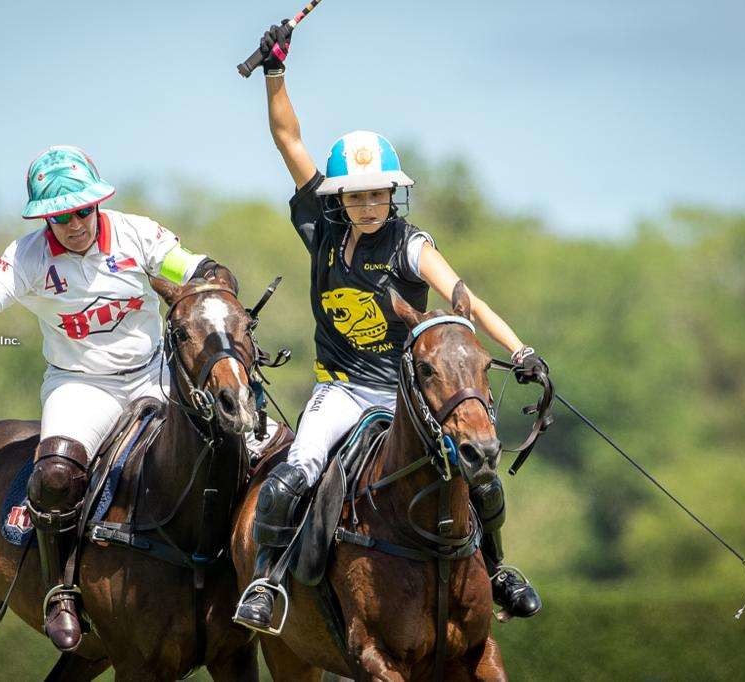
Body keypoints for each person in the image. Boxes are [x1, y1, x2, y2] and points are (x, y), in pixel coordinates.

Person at [233, 24, 548, 631]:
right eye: (356, 196)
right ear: (339, 199)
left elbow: (465, 300)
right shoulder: (321, 229)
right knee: (292, 475)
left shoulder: (410, 246)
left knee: (478, 474)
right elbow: (287, 137)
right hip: (341, 391)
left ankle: (498, 569)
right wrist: (275, 71)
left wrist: (521, 349)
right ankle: (269, 583)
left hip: (411, 395)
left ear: (392, 194)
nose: (368, 205)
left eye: (378, 194)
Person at [0, 145, 236, 652]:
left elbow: (205, 272)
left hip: (156, 375)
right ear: (45, 217)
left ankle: (256, 570)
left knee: (243, 444)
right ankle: (62, 591)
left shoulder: (137, 233)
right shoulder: (29, 256)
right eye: (60, 215)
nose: (74, 222)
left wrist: (208, 293)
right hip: (81, 385)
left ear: (97, 203)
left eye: (82, 209)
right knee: (55, 475)